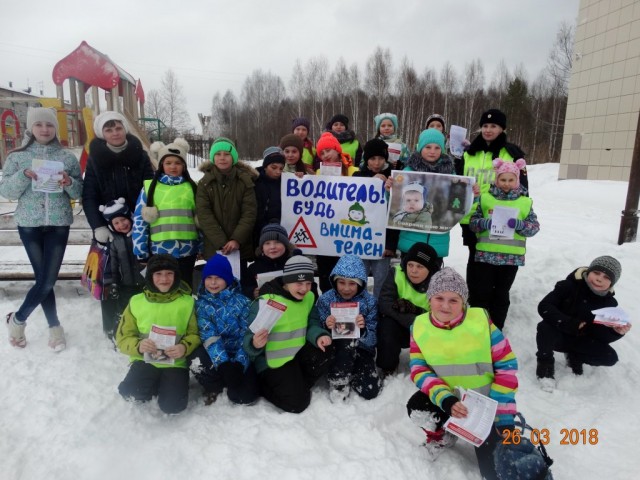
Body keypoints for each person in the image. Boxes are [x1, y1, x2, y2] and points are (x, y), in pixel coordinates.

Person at [406, 268, 518, 479]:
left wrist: (501, 412)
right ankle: (442, 435)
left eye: (453, 300)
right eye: (439, 298)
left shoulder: (482, 322)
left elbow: (507, 365)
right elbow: (419, 370)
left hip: (486, 406)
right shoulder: (419, 326)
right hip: (450, 401)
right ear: (429, 299)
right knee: (418, 407)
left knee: (494, 472)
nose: (445, 306)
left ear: (464, 302)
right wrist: (445, 399)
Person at [1, 107, 83, 351]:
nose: (44, 129)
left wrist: (69, 182)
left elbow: (79, 192)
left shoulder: (67, 157)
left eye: (49, 125)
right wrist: (24, 176)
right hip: (29, 224)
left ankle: (18, 319)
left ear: (55, 128)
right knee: (44, 280)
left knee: (47, 280)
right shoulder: (17, 157)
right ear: (31, 128)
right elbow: (6, 191)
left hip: (58, 224)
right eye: (39, 125)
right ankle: (55, 328)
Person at [456, 108, 528, 305]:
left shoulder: (511, 153)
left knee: (497, 259)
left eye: (493, 126)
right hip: (471, 216)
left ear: (502, 129)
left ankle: (496, 299)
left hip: (499, 217)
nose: (488, 130)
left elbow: (522, 188)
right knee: (475, 258)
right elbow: (456, 180)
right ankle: (475, 299)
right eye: (485, 126)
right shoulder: (469, 152)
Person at [243, 255, 332, 413]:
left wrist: (319, 336)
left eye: (308, 283)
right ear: (287, 281)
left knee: (327, 351)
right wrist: (255, 344)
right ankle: (263, 386)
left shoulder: (309, 297)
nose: (304, 289)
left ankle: (296, 382)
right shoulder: (266, 302)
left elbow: (312, 322)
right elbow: (248, 340)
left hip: (296, 351)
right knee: (297, 404)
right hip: (272, 359)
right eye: (298, 283)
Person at [115, 254, 201, 414]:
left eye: (169, 273)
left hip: (175, 363)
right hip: (145, 361)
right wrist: (138, 346)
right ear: (150, 276)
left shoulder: (187, 302)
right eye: (158, 274)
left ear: (176, 276)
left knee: (173, 406)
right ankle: (154, 381)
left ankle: (170, 383)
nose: (164, 279)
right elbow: (123, 337)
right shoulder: (136, 301)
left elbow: (195, 334)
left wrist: (184, 347)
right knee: (131, 393)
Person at [536, 256, 631, 387]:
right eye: (596, 273)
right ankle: (545, 362)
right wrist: (567, 322)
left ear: (612, 283)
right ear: (588, 271)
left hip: (580, 340)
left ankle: (575, 357)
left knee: (610, 357)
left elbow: (601, 336)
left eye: (606, 277)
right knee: (545, 327)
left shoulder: (609, 304)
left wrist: (615, 332)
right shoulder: (568, 286)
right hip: (558, 334)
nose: (599, 279)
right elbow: (545, 306)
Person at [468, 158, 540, 329]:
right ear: (496, 179)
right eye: (502, 179)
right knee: (481, 293)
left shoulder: (525, 202)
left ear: (517, 180)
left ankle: (496, 329)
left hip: (510, 259)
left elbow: (534, 228)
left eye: (511, 180)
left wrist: (521, 225)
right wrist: (483, 223)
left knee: (501, 295)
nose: (506, 184)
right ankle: (478, 327)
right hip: (486, 257)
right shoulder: (485, 199)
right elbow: (472, 222)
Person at [191, 254, 259, 405]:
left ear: (227, 279)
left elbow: (246, 335)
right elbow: (209, 337)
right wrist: (224, 365)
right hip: (215, 355)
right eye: (209, 278)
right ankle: (214, 384)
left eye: (218, 278)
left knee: (244, 396)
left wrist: (240, 363)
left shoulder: (243, 302)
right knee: (197, 359)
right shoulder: (200, 305)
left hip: (241, 353)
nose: (213, 282)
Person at [132, 138, 200, 289]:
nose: (173, 167)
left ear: (183, 165)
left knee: (185, 287)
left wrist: (202, 246)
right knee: (162, 288)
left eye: (177, 163)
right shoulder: (150, 188)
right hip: (159, 251)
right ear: (161, 164)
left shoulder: (192, 187)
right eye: (168, 163)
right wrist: (140, 250)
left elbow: (200, 219)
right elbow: (139, 221)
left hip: (187, 251)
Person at [83, 111, 154, 245]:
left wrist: (144, 219)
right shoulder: (95, 160)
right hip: (109, 224)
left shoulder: (140, 156)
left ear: (125, 129)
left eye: (118, 128)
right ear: (102, 133)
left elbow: (150, 188)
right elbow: (89, 195)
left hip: (138, 224)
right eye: (109, 130)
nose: (115, 133)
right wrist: (98, 226)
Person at [316, 255, 381, 402]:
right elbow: (317, 331)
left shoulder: (369, 302)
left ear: (361, 283)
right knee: (344, 344)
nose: (346, 288)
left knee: (370, 391)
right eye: (341, 282)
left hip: (362, 349)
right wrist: (326, 325)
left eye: (352, 284)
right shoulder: (326, 300)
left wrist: (363, 330)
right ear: (335, 281)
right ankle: (338, 379)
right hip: (337, 349)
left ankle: (356, 373)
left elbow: (373, 340)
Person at [196, 137, 257, 276]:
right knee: (216, 283)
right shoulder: (205, 183)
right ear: (213, 157)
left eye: (227, 154)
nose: (222, 158)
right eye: (218, 154)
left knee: (238, 284)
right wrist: (221, 242)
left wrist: (236, 239)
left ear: (233, 157)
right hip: (214, 247)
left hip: (239, 247)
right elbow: (204, 214)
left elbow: (249, 212)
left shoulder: (244, 181)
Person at [376, 242, 440, 374]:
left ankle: (434, 366)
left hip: (427, 329)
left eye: (420, 266)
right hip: (401, 327)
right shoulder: (396, 273)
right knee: (387, 325)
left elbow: (442, 315)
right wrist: (411, 318)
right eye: (410, 265)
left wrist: (417, 311)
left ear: (430, 269)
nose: (413, 270)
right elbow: (384, 303)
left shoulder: (440, 283)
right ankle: (387, 366)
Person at [396, 128, 454, 260]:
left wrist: (473, 194)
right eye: (428, 147)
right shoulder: (408, 171)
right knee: (407, 277)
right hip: (410, 241)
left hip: (437, 243)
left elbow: (460, 204)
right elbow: (396, 202)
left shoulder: (450, 174)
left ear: (442, 150)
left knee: (433, 279)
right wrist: (390, 190)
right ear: (420, 147)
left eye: (437, 147)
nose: (432, 151)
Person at [353, 138, 398, 297]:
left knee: (381, 280)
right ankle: (360, 308)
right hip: (361, 241)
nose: (377, 162)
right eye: (372, 158)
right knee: (359, 279)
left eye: (380, 158)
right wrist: (371, 183)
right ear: (366, 159)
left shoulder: (394, 179)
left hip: (382, 242)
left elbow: (395, 214)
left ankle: (379, 312)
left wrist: (391, 246)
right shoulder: (357, 176)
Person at [314, 132, 358, 292]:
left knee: (345, 274)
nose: (325, 155)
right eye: (322, 153)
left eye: (328, 151)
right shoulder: (318, 174)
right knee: (326, 274)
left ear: (337, 150)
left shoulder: (353, 171)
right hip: (325, 232)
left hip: (347, 231)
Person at [98, 198, 145, 338]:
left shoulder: (140, 236)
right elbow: (113, 265)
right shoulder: (114, 242)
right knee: (124, 308)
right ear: (111, 226)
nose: (121, 225)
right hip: (126, 284)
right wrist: (114, 283)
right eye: (116, 223)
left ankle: (142, 329)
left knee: (143, 307)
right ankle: (119, 331)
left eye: (123, 220)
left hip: (144, 283)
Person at [242, 223, 298, 299]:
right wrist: (252, 292)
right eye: (267, 243)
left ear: (285, 245)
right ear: (262, 248)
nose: (272, 247)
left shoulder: (295, 264)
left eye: (277, 242)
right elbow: (244, 287)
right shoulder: (253, 268)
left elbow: (311, 289)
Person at [253, 146, 286, 248]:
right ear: (265, 166)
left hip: (281, 232)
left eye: (281, 168)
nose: (278, 172)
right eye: (273, 167)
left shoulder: (286, 182)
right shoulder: (254, 182)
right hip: (260, 233)